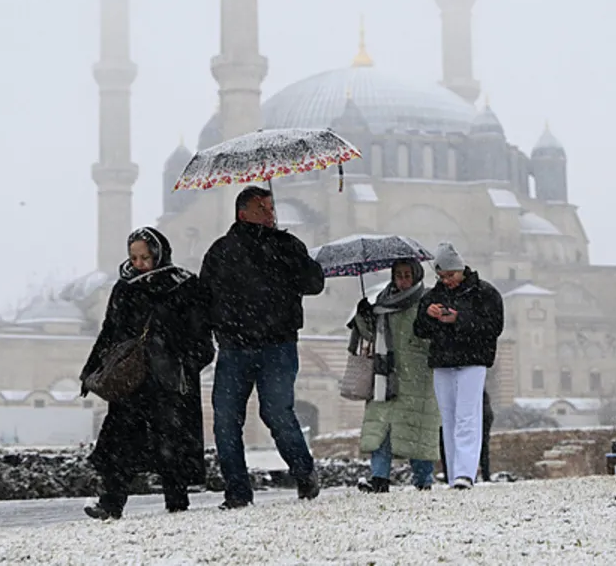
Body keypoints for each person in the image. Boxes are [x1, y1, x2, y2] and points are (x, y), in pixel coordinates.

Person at [200, 186, 326, 510]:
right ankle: (237, 491)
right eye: (263, 208)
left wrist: (291, 254)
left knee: (276, 413)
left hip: (277, 346)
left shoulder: (286, 245)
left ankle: (304, 471)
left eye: (271, 207)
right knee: (226, 420)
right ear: (243, 212)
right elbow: (203, 300)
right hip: (234, 348)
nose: (270, 213)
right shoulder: (221, 251)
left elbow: (315, 283)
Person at [78, 227, 214, 520]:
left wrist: (184, 364)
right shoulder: (125, 287)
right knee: (121, 440)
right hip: (133, 380)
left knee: (171, 443)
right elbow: (111, 331)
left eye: (145, 257)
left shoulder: (184, 285)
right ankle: (111, 503)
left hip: (170, 381)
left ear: (159, 254)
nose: (139, 263)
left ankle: (177, 504)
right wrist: (92, 369)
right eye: (134, 257)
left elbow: (202, 334)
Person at [414, 242, 503, 490]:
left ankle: (466, 472)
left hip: (473, 361)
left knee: (467, 416)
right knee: (449, 419)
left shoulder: (485, 293)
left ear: (460, 270)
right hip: (443, 361)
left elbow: (493, 327)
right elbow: (420, 330)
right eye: (441, 276)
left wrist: (459, 319)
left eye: (450, 275)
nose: (447, 281)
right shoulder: (432, 296)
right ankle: (454, 474)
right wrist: (427, 315)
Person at [349, 259, 440, 493]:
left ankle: (423, 480)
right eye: (398, 274)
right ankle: (379, 479)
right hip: (385, 376)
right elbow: (370, 334)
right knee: (382, 429)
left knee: (415, 428)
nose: (402, 279)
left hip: (417, 377)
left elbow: (434, 335)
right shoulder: (383, 302)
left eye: (407, 274)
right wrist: (364, 315)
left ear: (417, 275)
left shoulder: (427, 300)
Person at [440, 389, 494, 483]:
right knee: (481, 446)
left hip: (472, 412)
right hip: (479, 411)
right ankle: (477, 474)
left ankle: (453, 475)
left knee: (447, 444)